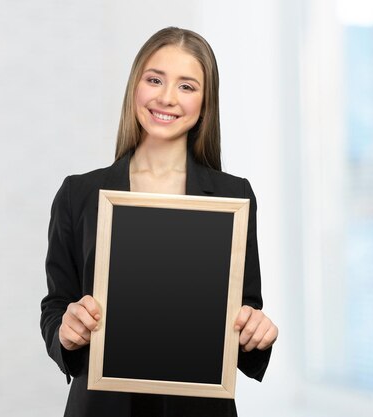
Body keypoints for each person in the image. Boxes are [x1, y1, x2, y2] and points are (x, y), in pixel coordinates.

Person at [40, 27, 278, 417]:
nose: (166, 98)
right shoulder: (79, 193)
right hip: (103, 407)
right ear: (135, 86)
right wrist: (64, 330)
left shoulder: (234, 197)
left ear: (205, 102)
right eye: (155, 80)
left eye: (187, 86)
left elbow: (244, 309)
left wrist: (257, 332)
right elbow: (56, 306)